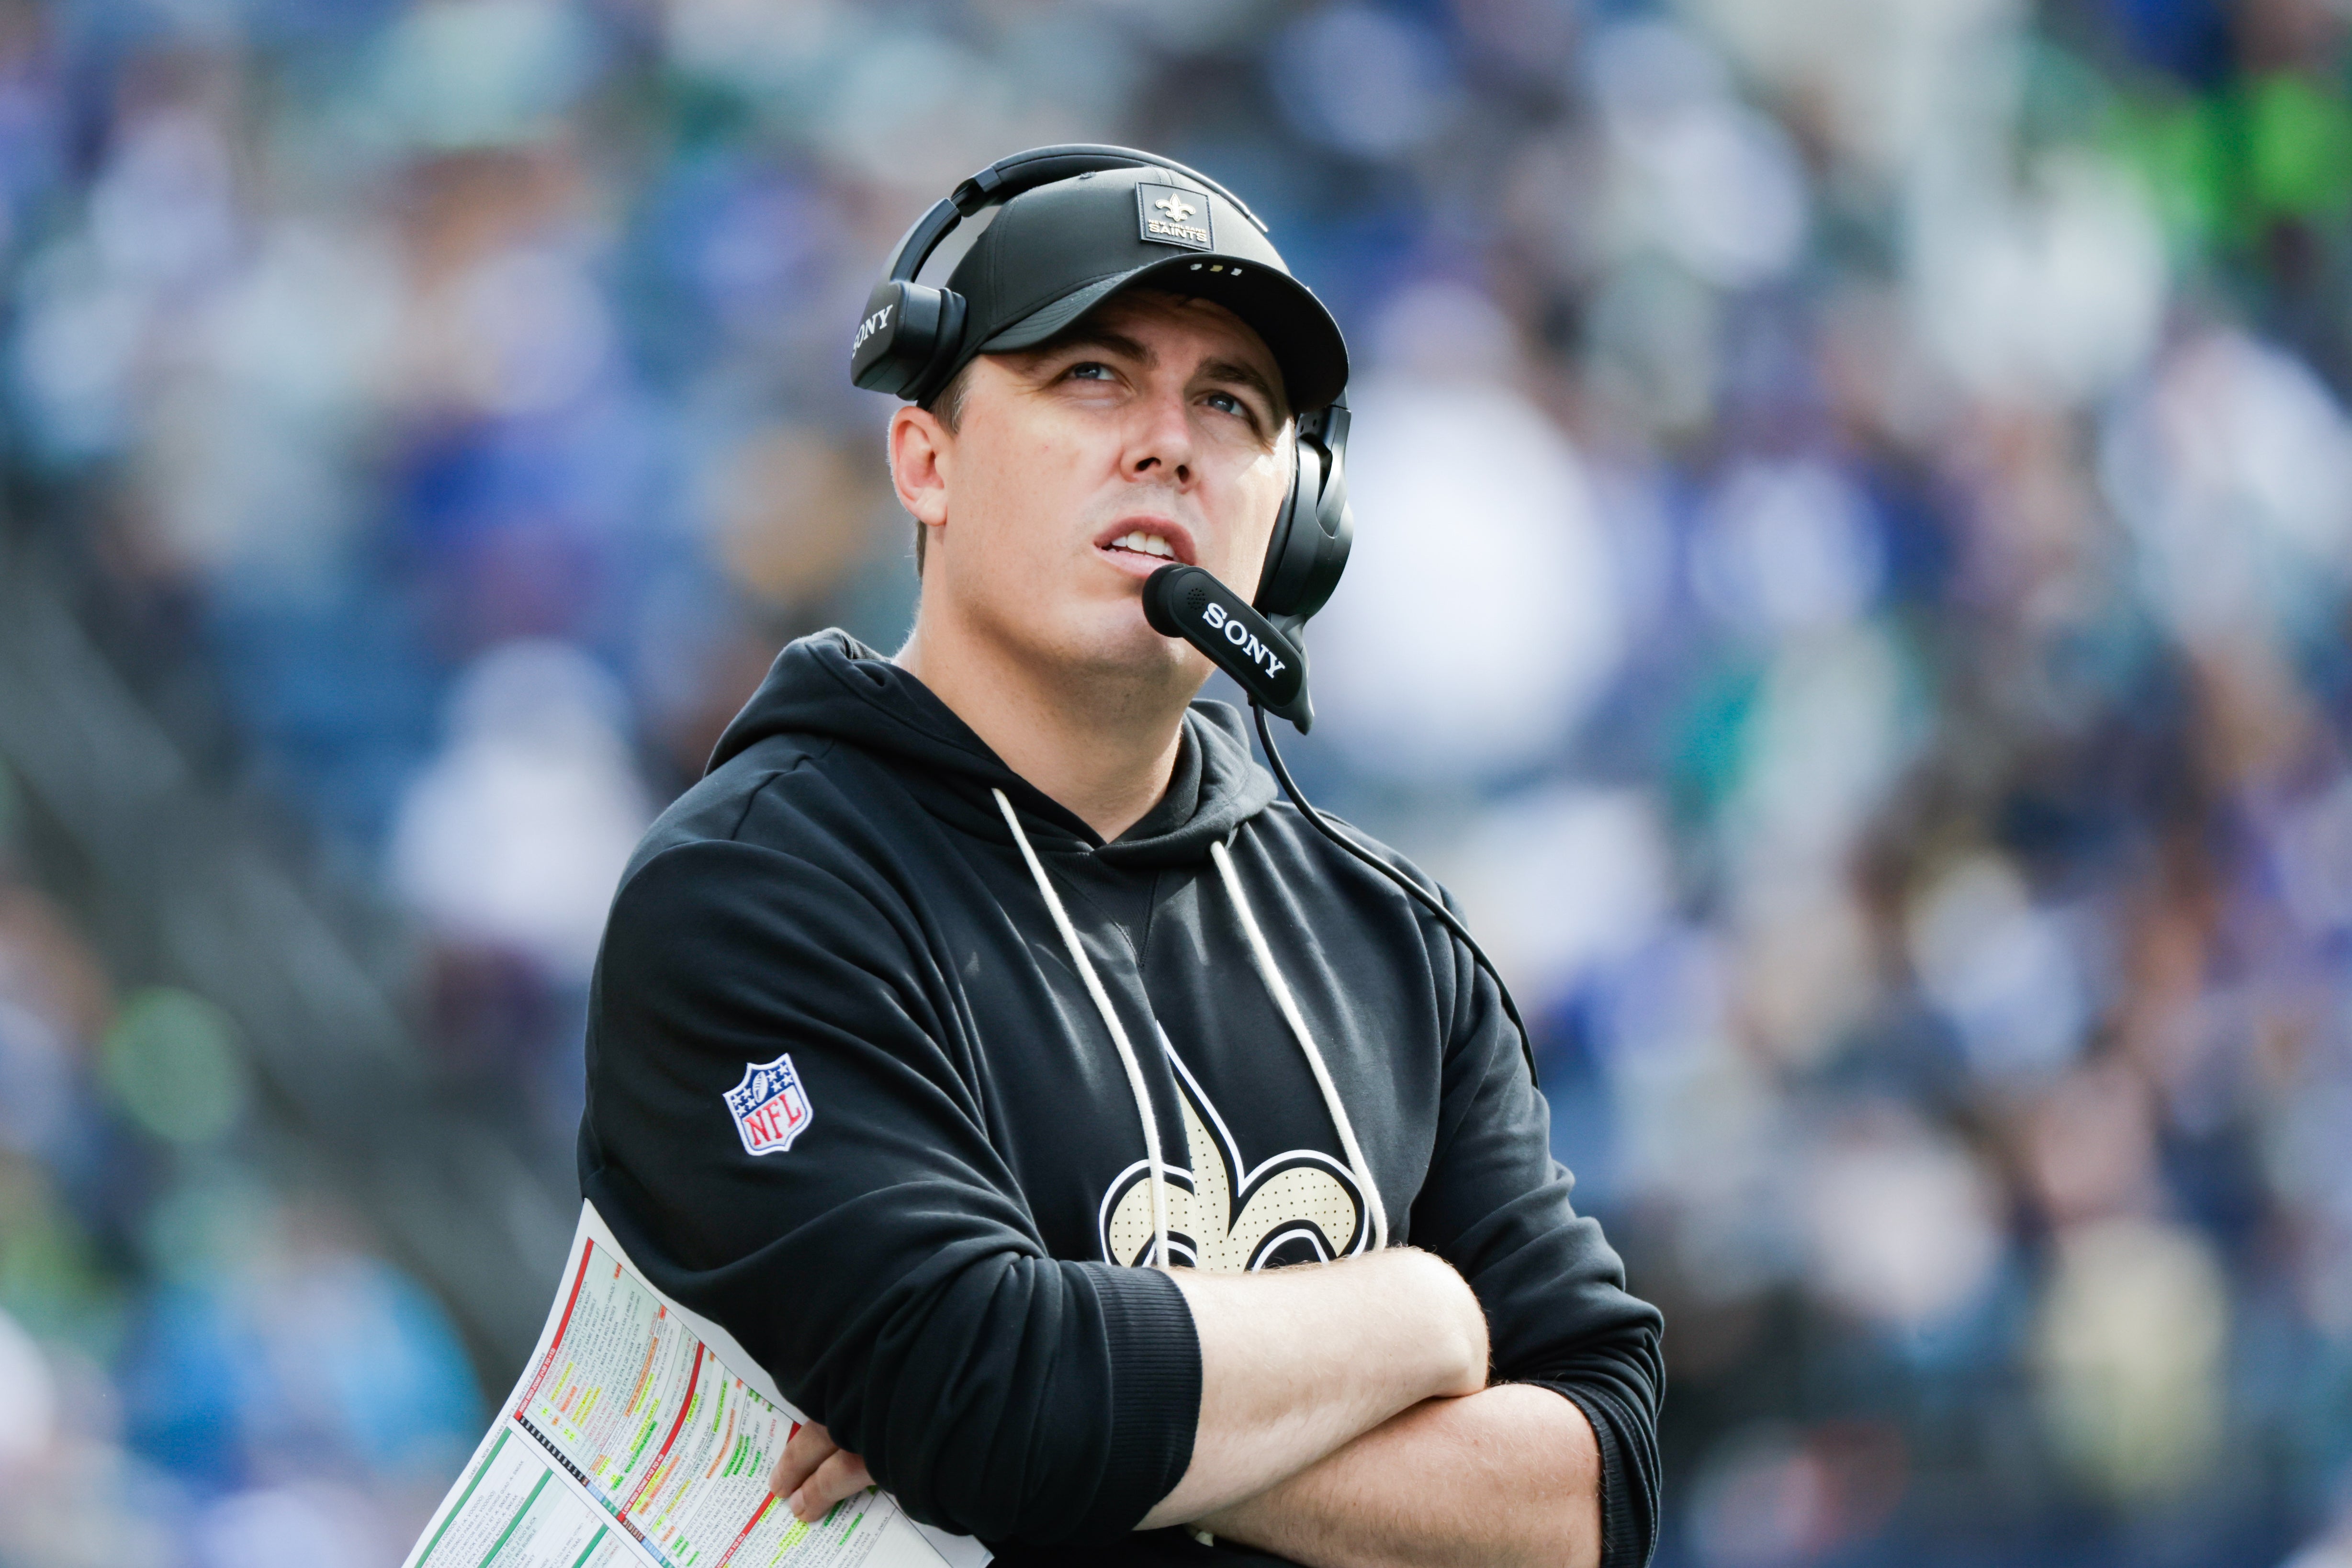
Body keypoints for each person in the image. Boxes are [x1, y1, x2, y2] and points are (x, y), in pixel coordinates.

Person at [578, 149, 1662, 1568]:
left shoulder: (1395, 939)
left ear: (1296, 519)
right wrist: (1417, 1319)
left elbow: (1597, 1493)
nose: (1167, 442)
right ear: (926, 458)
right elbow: (987, 1393)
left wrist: (1064, 1421)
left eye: (1230, 402)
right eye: (1091, 374)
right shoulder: (749, 887)